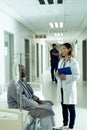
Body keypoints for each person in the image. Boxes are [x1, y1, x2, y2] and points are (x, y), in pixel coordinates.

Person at [7, 64, 55, 130]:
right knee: (44, 112)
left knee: (48, 103)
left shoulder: (22, 80)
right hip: (21, 107)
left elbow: (30, 94)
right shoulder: (14, 85)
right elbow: (23, 101)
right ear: (17, 72)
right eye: (23, 70)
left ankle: (52, 127)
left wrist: (38, 100)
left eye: (24, 70)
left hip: (29, 103)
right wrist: (36, 104)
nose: (25, 71)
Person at [55, 43, 80, 130]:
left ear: (69, 49)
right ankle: (65, 123)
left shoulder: (73, 62)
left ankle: (71, 126)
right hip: (61, 87)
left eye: (64, 49)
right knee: (64, 107)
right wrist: (57, 75)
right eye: (61, 49)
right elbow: (59, 73)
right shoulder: (61, 61)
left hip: (69, 88)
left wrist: (65, 77)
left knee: (71, 108)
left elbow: (77, 76)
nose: (62, 51)